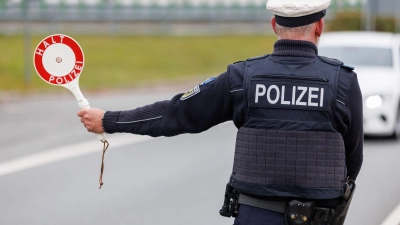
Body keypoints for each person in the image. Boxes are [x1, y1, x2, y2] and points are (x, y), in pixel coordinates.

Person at [78, 0, 363, 224]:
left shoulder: (241, 79)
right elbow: (353, 159)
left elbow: (177, 114)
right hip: (318, 217)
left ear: (274, 24)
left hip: (254, 217)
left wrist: (109, 120)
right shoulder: (344, 83)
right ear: (319, 26)